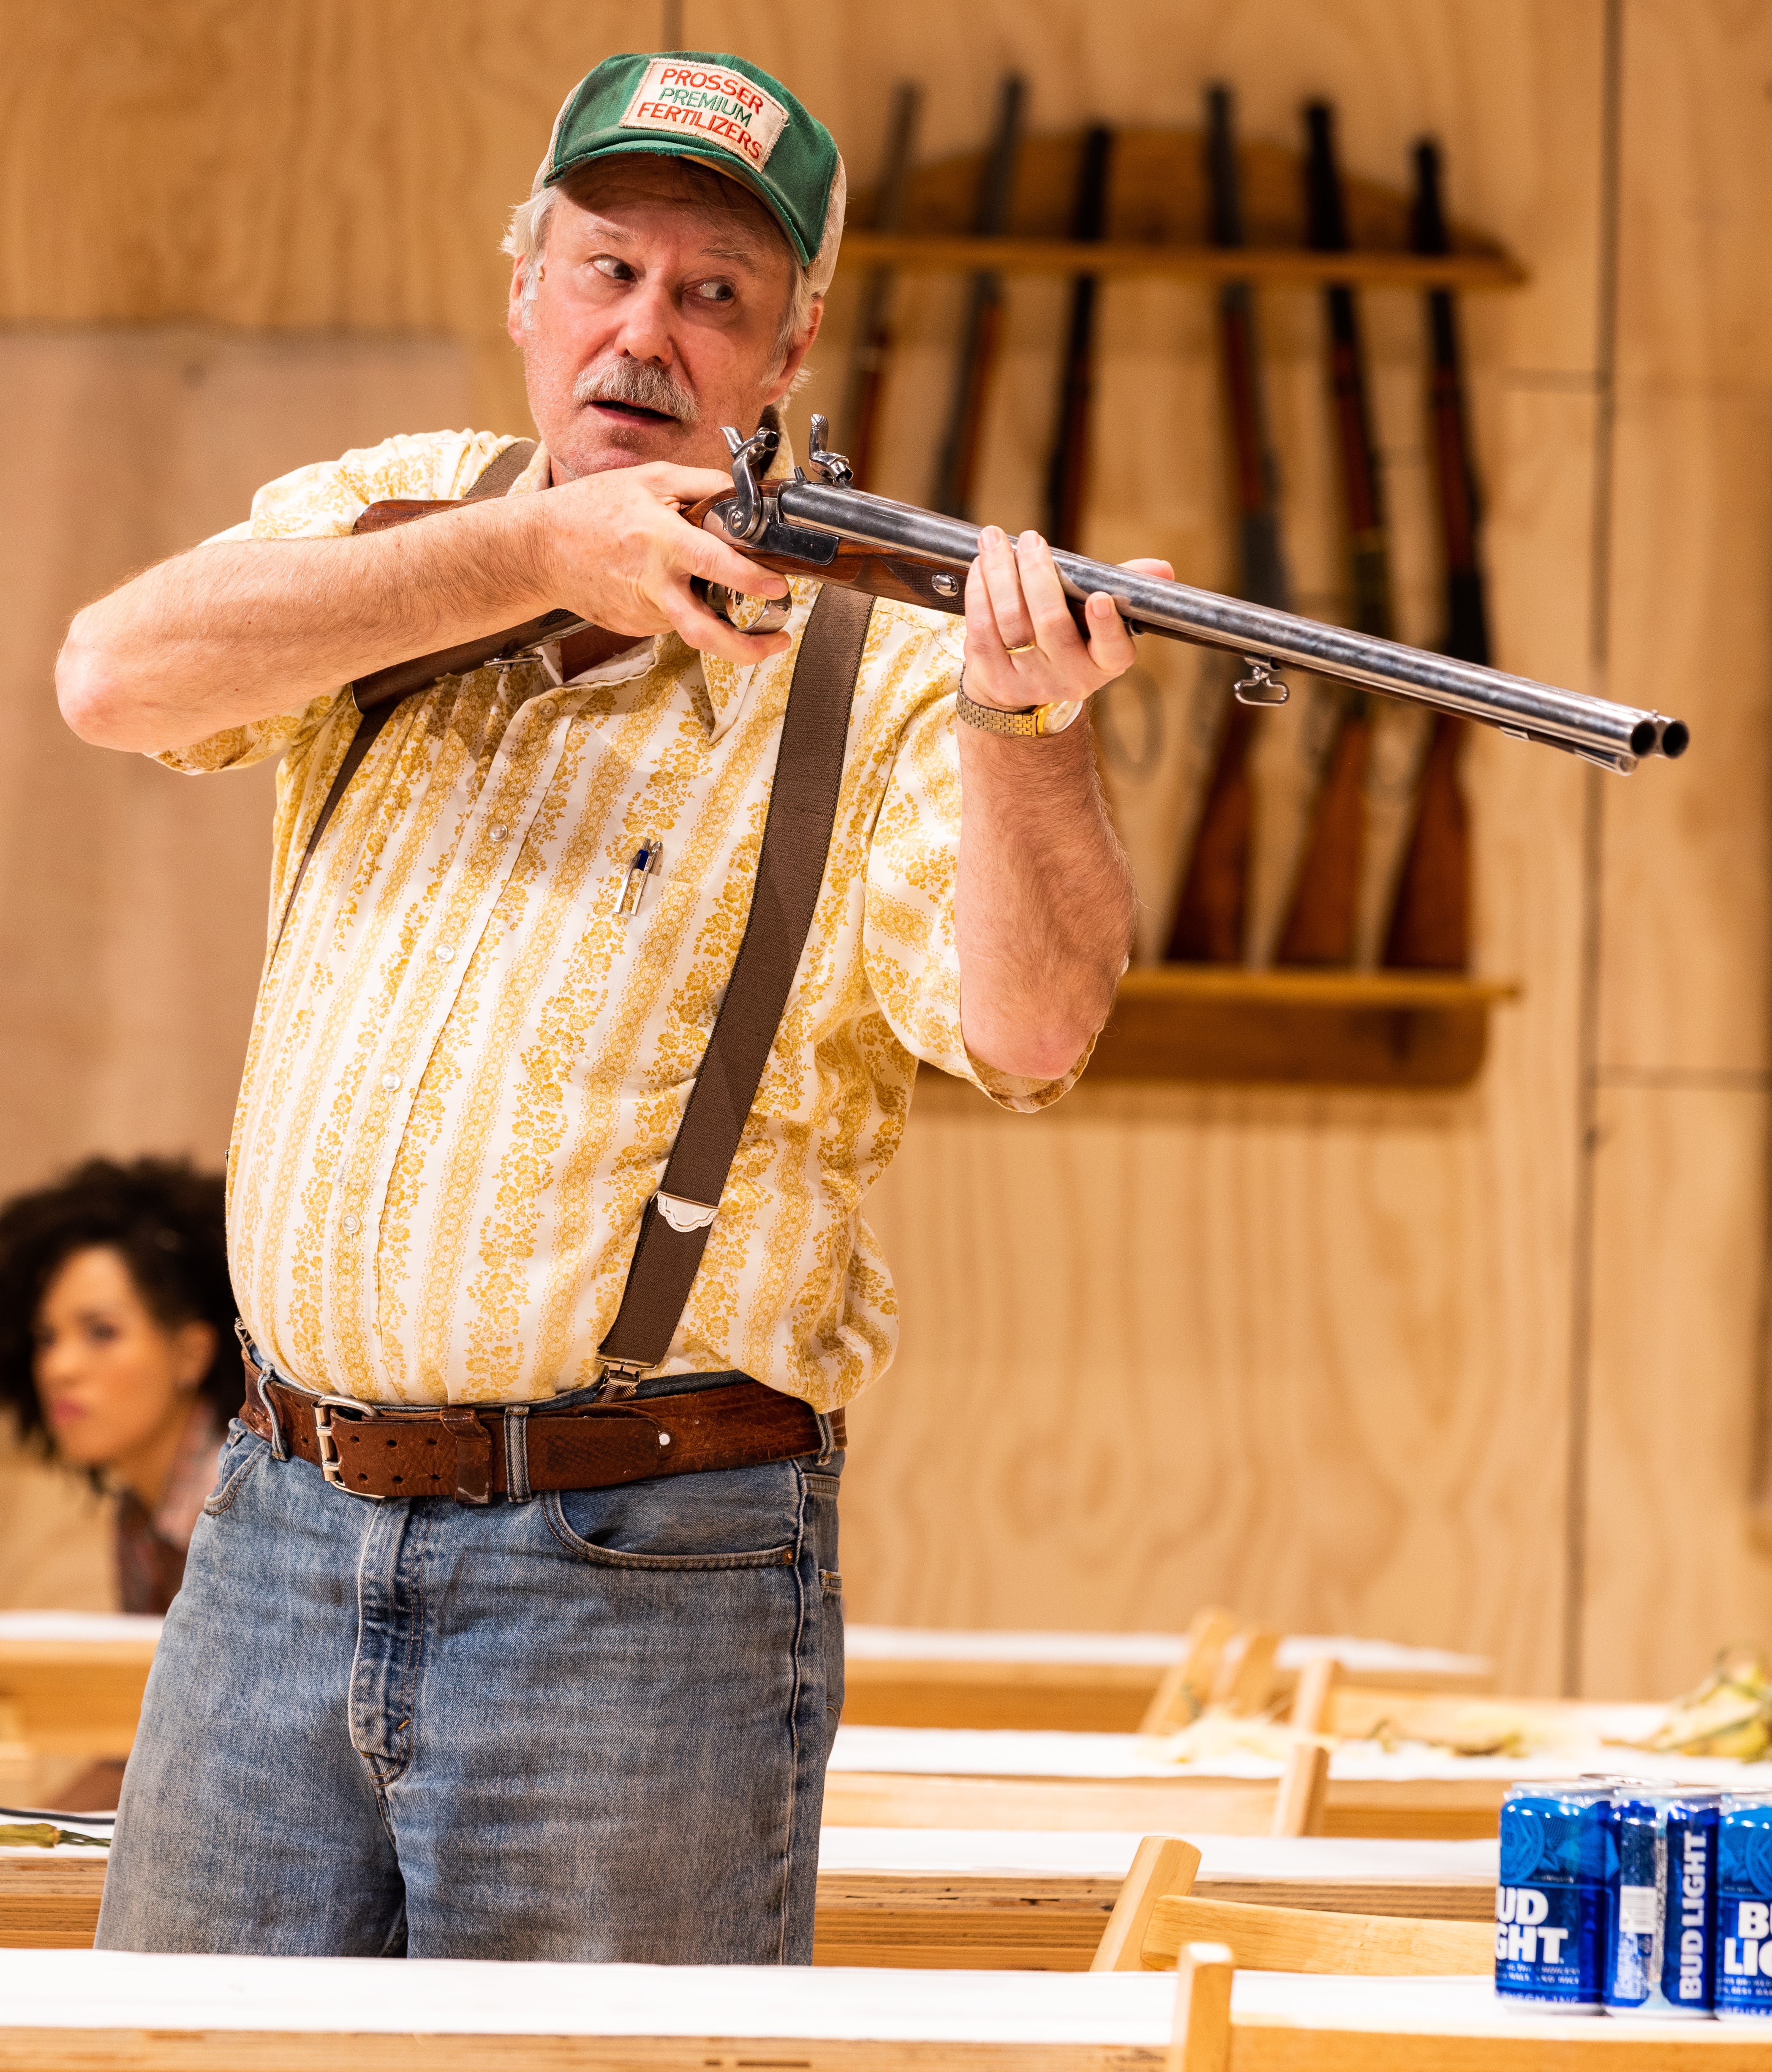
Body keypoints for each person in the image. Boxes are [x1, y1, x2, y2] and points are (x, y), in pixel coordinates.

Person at [56, 52, 1156, 1964]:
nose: (642, 332)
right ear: (524, 285)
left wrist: (1029, 736)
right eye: (604, 269)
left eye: (712, 293)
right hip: (277, 1522)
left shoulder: (881, 664)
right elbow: (113, 677)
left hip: (642, 1576)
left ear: (791, 344)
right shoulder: (395, 520)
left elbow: (1039, 1025)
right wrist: (532, 552)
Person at [0, 1157, 239, 1615]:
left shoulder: (238, 1516)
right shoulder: (139, 1515)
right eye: (45, 1338)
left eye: (102, 1332)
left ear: (192, 1354)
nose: (58, 1368)